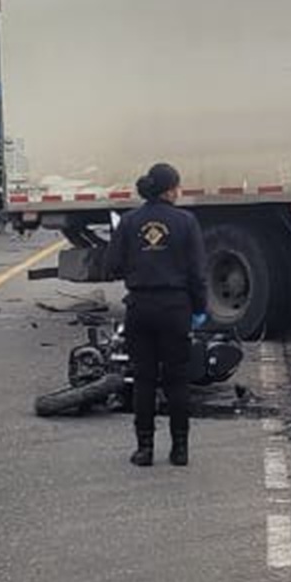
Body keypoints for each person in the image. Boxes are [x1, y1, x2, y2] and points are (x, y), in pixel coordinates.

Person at [100, 163, 209, 468]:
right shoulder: (186, 222)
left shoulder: (130, 222)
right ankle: (180, 450)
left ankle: (144, 449)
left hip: (141, 308)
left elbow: (111, 265)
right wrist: (199, 309)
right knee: (176, 380)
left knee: (144, 380)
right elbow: (198, 273)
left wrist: (138, 270)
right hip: (175, 309)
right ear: (170, 189)